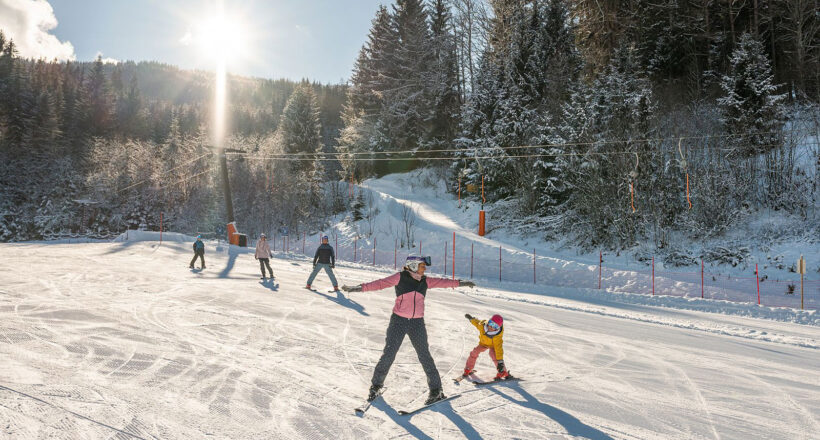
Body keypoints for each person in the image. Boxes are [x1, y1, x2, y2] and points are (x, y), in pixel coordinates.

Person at [342, 255, 476, 405]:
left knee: (425, 355)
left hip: (417, 323)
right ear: (413, 266)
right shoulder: (400, 277)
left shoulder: (425, 281)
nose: (424, 269)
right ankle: (376, 386)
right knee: (389, 353)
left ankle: (436, 390)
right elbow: (380, 284)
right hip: (398, 321)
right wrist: (359, 288)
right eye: (422, 266)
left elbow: (443, 282)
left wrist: (460, 283)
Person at [461, 313, 510, 380]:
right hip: (483, 344)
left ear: (498, 328)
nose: (491, 327)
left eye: (495, 326)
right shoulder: (482, 326)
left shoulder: (497, 336)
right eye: (491, 323)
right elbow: (477, 323)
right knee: (474, 352)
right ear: (489, 321)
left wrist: (500, 362)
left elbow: (499, 349)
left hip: (493, 346)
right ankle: (468, 369)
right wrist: (471, 319)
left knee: (493, 354)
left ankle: (503, 372)